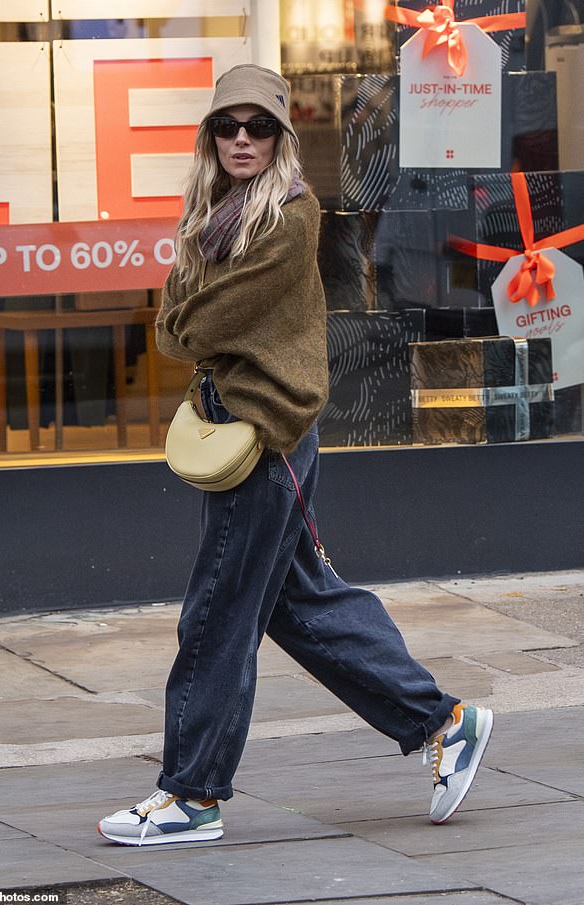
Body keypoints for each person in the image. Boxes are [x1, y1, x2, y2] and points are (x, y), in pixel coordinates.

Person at [98, 64, 493, 847]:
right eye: (227, 126)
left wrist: (183, 318)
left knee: (216, 614)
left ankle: (192, 795)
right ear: (209, 136)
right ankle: (442, 719)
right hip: (247, 430)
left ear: (280, 136)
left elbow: (191, 326)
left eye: (260, 126)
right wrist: (183, 317)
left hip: (266, 435)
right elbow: (179, 317)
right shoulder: (216, 211)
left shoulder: (287, 216)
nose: (242, 139)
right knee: (299, 605)